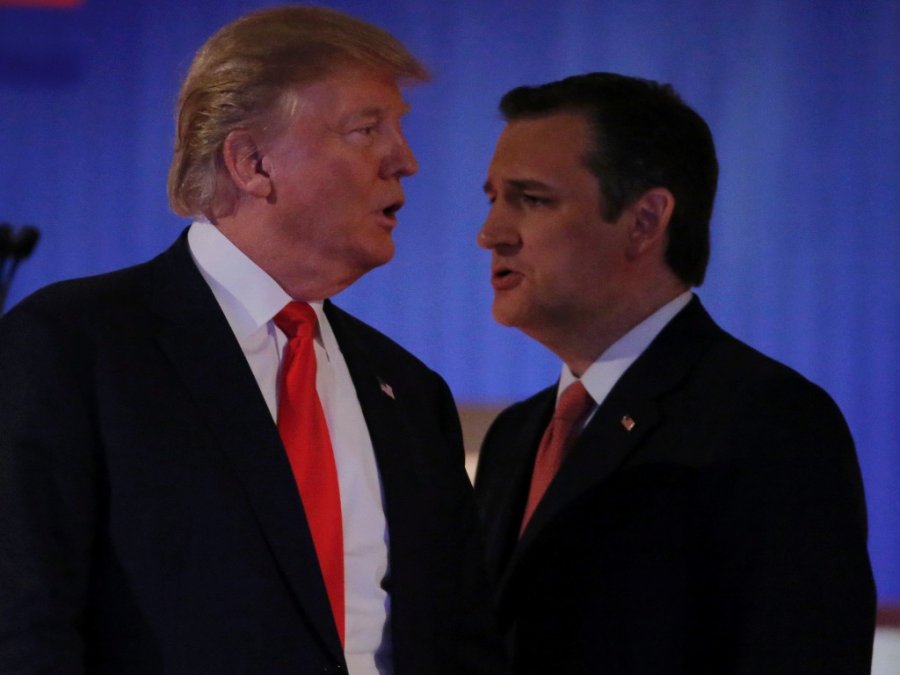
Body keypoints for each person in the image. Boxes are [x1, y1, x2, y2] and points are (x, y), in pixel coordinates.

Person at [0, 7, 504, 674]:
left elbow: (459, 638)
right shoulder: (72, 347)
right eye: (366, 129)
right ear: (252, 161)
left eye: (399, 129)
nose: (404, 160)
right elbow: (25, 626)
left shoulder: (410, 393)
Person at [473, 72, 875, 674]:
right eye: (494, 198)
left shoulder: (769, 422)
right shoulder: (514, 436)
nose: (492, 234)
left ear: (645, 220)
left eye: (532, 199)